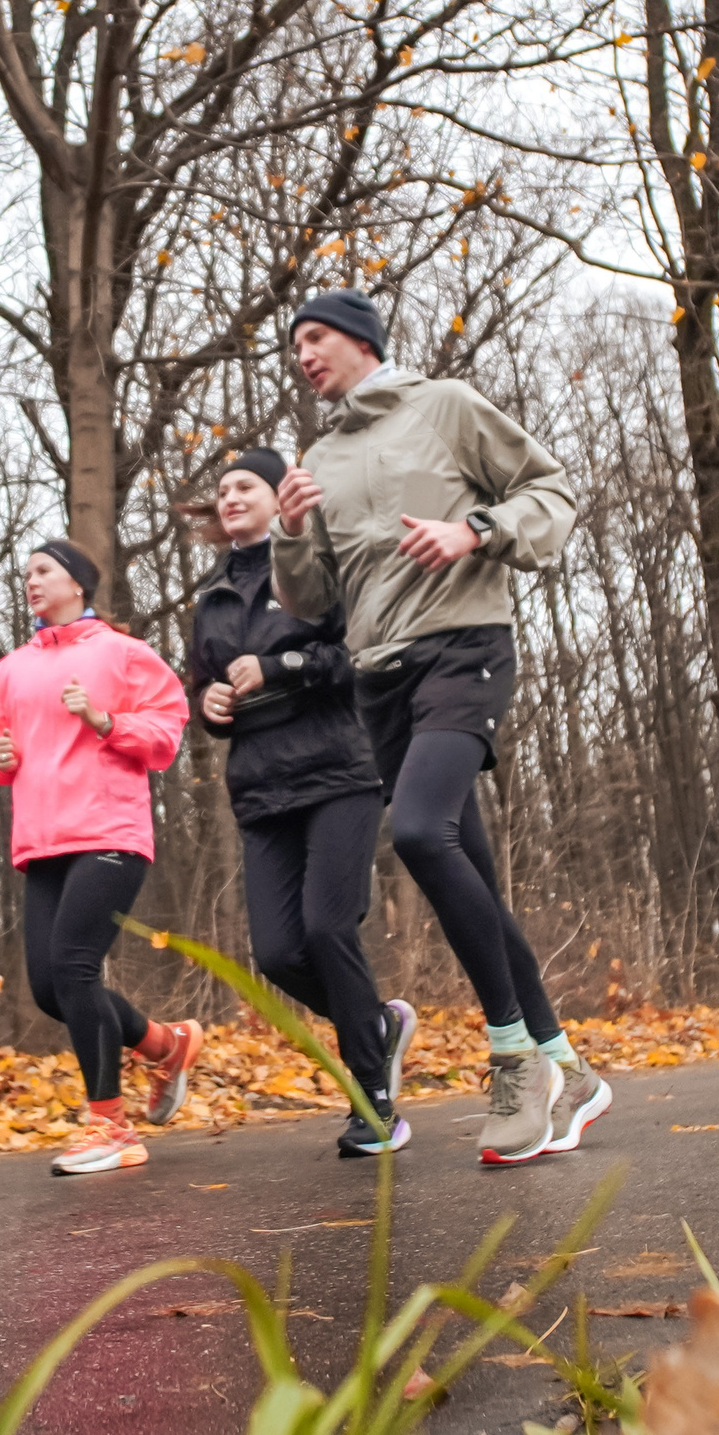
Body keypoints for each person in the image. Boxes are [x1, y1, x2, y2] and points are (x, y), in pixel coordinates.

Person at [269, 290, 610, 1167]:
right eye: (294, 345)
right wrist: (292, 531)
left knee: (421, 830)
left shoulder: (445, 406)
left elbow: (552, 489)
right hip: (380, 678)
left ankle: (513, 1054)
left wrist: (475, 531)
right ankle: (570, 1068)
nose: (303, 355)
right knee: (476, 880)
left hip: (465, 648)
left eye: (315, 338)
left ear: (359, 340)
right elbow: (309, 601)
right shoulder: (320, 457)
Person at [186, 447, 419, 1158]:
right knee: (279, 952)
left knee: (326, 928)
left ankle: (375, 1101)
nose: (229, 497)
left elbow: (358, 658)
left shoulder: (319, 568)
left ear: (277, 495)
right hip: (260, 786)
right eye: (221, 489)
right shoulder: (212, 600)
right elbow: (201, 688)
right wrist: (212, 701)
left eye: (244, 485)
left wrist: (280, 666)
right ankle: (374, 1024)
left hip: (336, 771)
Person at [0, 539, 201, 1175]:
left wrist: (105, 720)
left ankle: (110, 1126)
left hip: (108, 832)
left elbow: (166, 731)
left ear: (77, 583)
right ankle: (165, 1045)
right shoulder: (13, 667)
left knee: (74, 969)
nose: (31, 582)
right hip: (40, 842)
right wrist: (0, 761)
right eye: (26, 574)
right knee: (50, 990)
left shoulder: (124, 654)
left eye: (43, 570)